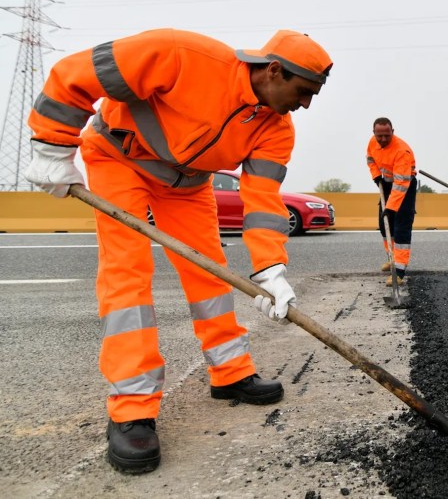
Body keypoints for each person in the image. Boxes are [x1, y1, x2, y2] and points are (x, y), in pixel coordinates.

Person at [23, 28, 333, 474]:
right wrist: (52, 143)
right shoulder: (182, 54)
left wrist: (271, 269)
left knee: (210, 273)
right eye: (303, 92)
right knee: (127, 270)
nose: (304, 105)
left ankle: (230, 373)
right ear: (274, 70)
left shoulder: (276, 129)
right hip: (118, 159)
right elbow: (76, 74)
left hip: (188, 185)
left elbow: (263, 203)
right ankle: (131, 409)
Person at [366, 117, 417, 286]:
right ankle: (392, 258)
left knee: (400, 226)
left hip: (405, 186)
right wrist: (376, 176)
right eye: (379, 136)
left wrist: (392, 207)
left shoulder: (401, 151)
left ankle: (400, 271)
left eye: (386, 136)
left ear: (392, 132)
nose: (382, 139)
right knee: (384, 224)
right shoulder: (372, 142)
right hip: (386, 184)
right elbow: (370, 159)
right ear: (374, 133)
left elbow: (401, 184)